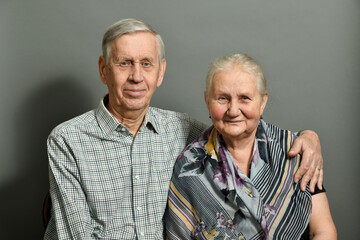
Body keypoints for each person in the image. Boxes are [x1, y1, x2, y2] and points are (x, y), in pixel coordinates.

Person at [45, 19, 325, 239]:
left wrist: (308, 138)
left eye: (146, 63)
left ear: (160, 72)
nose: (136, 76)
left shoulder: (181, 129)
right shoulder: (67, 140)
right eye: (124, 63)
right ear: (103, 69)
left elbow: (236, 130)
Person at [164, 53, 337, 239]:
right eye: (222, 98)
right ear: (207, 100)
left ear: (263, 102)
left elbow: (322, 231)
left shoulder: (295, 150)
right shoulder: (188, 168)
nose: (233, 110)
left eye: (245, 98)